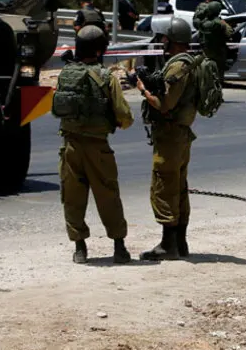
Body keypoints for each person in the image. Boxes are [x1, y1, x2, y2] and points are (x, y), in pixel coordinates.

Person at [52, 26, 135, 264]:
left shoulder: (66, 74)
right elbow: (125, 117)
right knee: (108, 196)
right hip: (98, 148)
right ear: (101, 50)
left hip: (70, 147)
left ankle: (80, 248)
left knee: (72, 198)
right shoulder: (107, 77)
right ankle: (119, 247)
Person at [134, 18, 199, 261]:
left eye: (163, 38)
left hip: (171, 135)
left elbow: (164, 104)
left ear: (170, 40)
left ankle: (168, 245)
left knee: (164, 187)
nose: (161, 42)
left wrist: (142, 89)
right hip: (179, 134)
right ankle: (180, 243)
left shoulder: (177, 67)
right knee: (178, 187)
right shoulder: (186, 63)